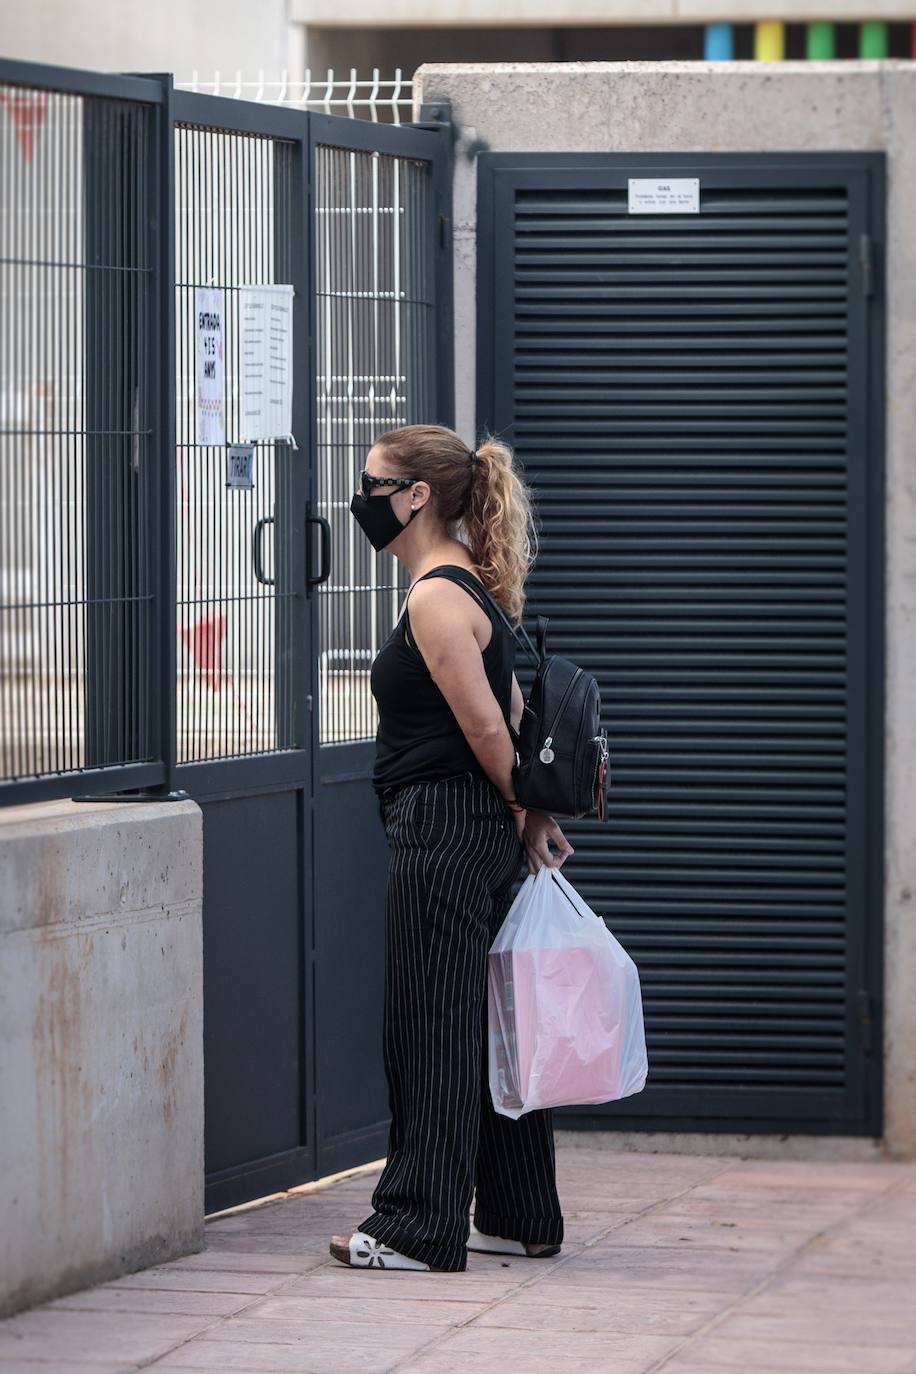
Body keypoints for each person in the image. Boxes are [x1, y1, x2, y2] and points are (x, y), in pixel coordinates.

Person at [329, 424, 573, 1273]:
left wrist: (522, 812)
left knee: (431, 1028)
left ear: (416, 496)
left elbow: (483, 725)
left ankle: (417, 1227)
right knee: (489, 1028)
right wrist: (528, 820)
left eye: (372, 483)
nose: (359, 498)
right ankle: (517, 1215)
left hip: (443, 830)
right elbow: (507, 714)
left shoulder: (435, 596)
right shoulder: (470, 586)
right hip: (478, 831)